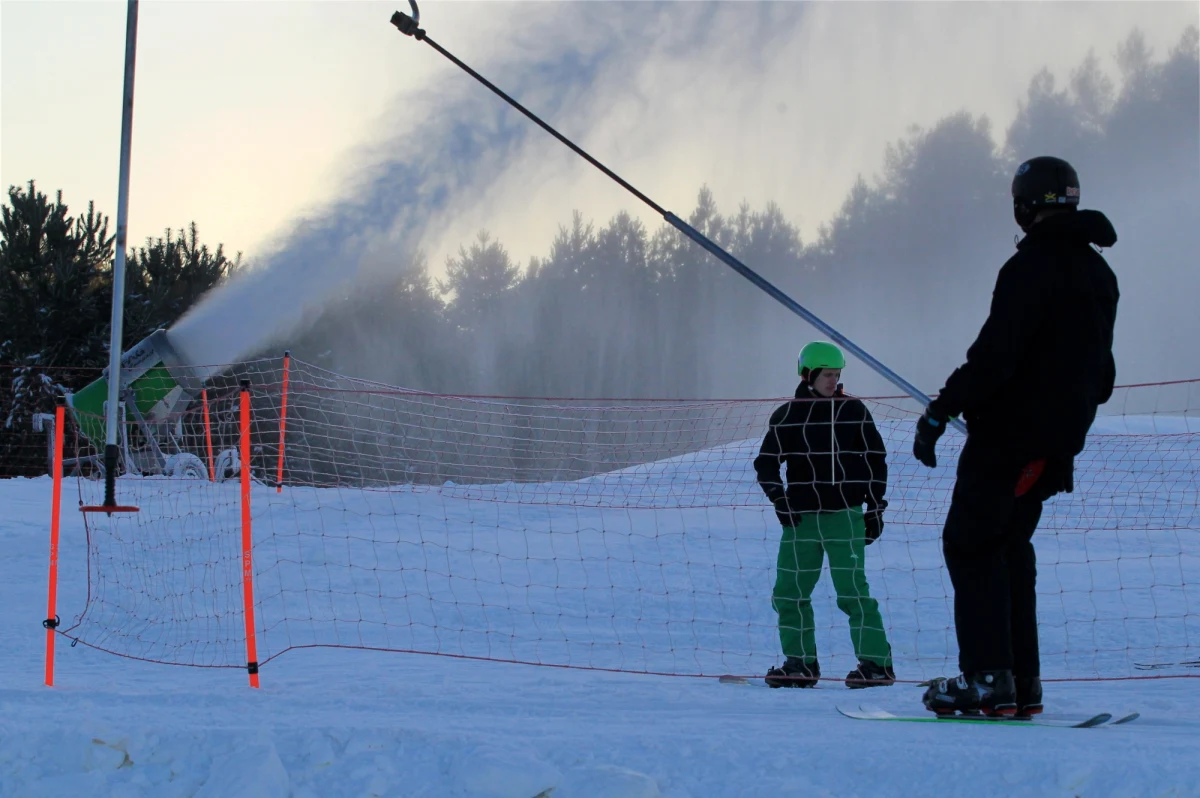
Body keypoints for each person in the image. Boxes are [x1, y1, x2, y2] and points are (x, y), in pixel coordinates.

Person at [913, 156, 1119, 716]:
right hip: (1054, 447)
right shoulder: (1099, 275)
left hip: (1008, 440)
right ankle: (1020, 681)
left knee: (972, 543)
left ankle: (986, 678)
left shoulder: (1029, 269)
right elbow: (1102, 376)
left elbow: (995, 357)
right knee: (1009, 549)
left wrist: (941, 410)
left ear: (1024, 206)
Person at [755, 341, 894, 688]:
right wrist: (779, 499)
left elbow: (876, 458)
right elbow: (766, 462)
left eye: (837, 374)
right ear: (808, 375)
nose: (834, 381)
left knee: (852, 593)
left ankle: (877, 665)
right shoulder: (788, 414)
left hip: (844, 517)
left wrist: (875, 507)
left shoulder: (853, 410)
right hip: (801, 520)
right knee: (789, 592)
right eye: (827, 375)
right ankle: (800, 664)